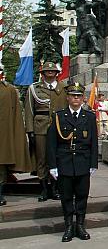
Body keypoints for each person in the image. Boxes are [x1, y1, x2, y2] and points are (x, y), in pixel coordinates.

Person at [47, 83, 98, 242]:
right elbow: (51, 144)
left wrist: (93, 163)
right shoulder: (58, 116)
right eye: (73, 95)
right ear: (67, 97)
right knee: (67, 196)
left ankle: (80, 225)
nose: (76, 98)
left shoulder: (89, 116)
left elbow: (94, 142)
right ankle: (69, 226)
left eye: (79, 96)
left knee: (82, 195)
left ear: (83, 98)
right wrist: (53, 165)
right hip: (65, 161)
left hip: (83, 161)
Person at [25, 61, 68, 202]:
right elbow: (29, 110)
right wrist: (30, 130)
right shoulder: (34, 89)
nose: (50, 73)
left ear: (57, 73)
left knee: (57, 157)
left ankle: (55, 188)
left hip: (59, 128)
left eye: (52, 71)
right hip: (41, 128)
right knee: (42, 158)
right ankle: (44, 189)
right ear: (42, 74)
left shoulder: (64, 88)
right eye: (46, 71)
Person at [0, 64, 34, 206]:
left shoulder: (9, 90)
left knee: (1, 166)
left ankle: (0, 194)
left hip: (3, 134)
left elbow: (16, 117)